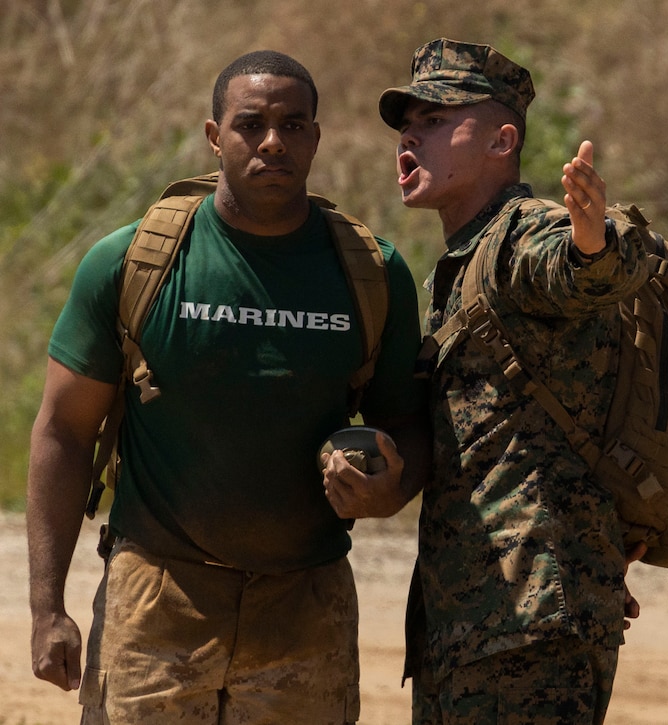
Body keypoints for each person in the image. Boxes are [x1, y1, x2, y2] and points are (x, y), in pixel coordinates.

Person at [26, 50, 430, 724]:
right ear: (214, 136)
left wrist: (392, 486)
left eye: (294, 125)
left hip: (308, 605)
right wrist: (46, 611)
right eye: (251, 124)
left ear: (316, 137)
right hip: (154, 599)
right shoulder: (131, 262)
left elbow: (409, 425)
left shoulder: (372, 273)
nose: (274, 141)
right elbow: (64, 430)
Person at [377, 38, 648, 724]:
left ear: (503, 140)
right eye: (407, 124)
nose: (412, 136)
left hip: (527, 632)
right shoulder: (461, 262)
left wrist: (592, 241)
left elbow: (579, 266)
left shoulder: (517, 234)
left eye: (436, 120)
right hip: (480, 623)